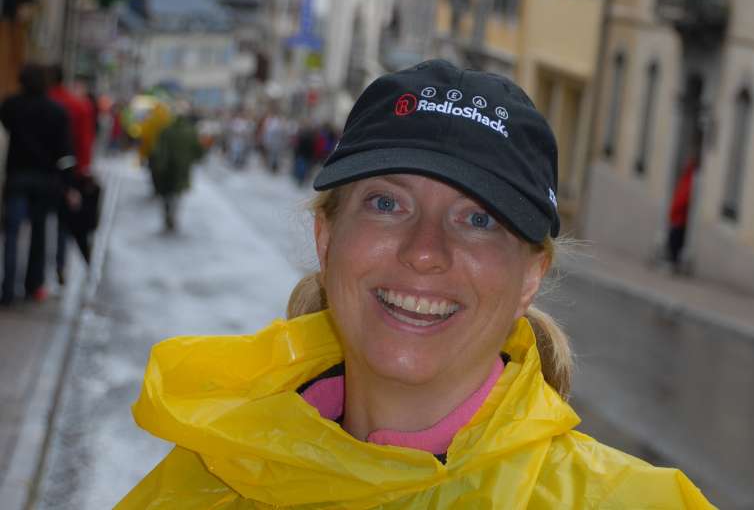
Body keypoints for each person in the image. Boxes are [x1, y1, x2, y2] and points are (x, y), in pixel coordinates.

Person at [116, 60, 714, 508]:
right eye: (386, 204)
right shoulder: (209, 478)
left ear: (531, 275)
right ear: (327, 240)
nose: (425, 251)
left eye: (478, 219)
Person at [1, 64, 75, 305]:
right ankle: (33, 286)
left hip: (18, 177)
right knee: (39, 234)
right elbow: (65, 152)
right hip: (46, 180)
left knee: (12, 234)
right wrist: (69, 183)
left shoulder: (11, 106)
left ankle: (7, 288)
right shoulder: (57, 111)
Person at [48, 65, 96, 283]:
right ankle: (60, 264)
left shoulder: (45, 101)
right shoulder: (78, 105)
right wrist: (82, 169)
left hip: (38, 169)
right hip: (67, 170)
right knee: (63, 220)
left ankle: (35, 275)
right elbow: (84, 141)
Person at [147, 113, 204, 231]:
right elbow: (198, 149)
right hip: (182, 169)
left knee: (166, 192)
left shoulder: (166, 130)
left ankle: (167, 211)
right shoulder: (190, 132)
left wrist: (158, 163)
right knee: (177, 193)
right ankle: (173, 214)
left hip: (167, 167)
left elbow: (158, 148)